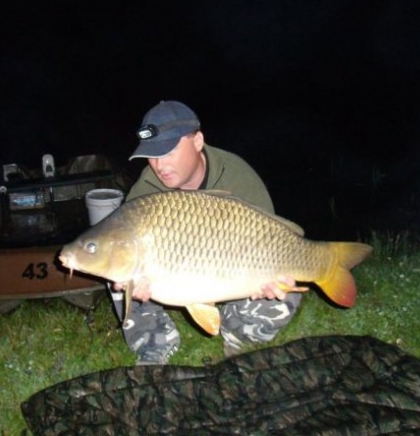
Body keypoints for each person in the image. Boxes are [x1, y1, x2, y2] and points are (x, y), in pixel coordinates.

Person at [110, 100, 301, 365]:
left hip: (237, 271)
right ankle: (154, 343)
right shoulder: (146, 191)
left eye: (168, 152)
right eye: (151, 155)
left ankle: (239, 338)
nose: (158, 164)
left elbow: (272, 240)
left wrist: (267, 281)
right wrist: (134, 282)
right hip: (173, 275)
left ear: (197, 141)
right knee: (116, 269)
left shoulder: (237, 176)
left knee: (287, 291)